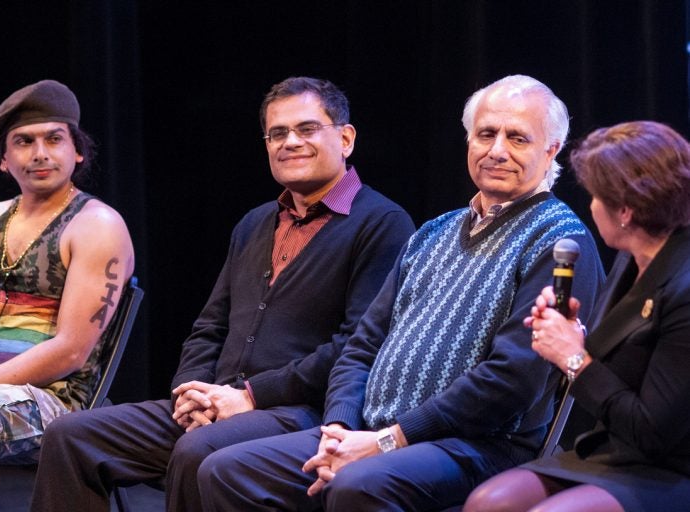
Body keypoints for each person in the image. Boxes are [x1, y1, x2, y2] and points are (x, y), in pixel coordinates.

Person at [196, 74, 606, 512]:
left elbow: (510, 382)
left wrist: (388, 440)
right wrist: (339, 428)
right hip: (372, 430)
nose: (497, 150)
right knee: (224, 469)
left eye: (518, 138)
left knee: (358, 483)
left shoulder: (560, 242)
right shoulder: (435, 232)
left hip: (478, 444)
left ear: (551, 151)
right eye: (486, 134)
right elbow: (362, 346)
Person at [29, 76, 415, 511]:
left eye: (306, 129)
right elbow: (210, 326)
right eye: (277, 133)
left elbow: (356, 346)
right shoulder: (254, 223)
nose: (290, 142)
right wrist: (188, 394)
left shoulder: (382, 223)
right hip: (218, 403)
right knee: (71, 434)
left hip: (301, 413)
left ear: (345, 138)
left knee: (199, 452)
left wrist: (251, 396)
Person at [0, 79, 135, 511]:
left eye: (54, 139)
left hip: (52, 396)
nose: (39, 153)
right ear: (4, 159)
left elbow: (70, 350)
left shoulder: (96, 225)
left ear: (77, 151)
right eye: (23, 142)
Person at [463, 120, 690, 512]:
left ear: (624, 210)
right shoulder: (632, 258)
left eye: (595, 196)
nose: (590, 206)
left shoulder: (683, 287)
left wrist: (573, 357)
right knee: (488, 502)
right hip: (610, 451)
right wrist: (571, 335)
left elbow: (652, 431)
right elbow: (626, 360)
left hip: (669, 466)